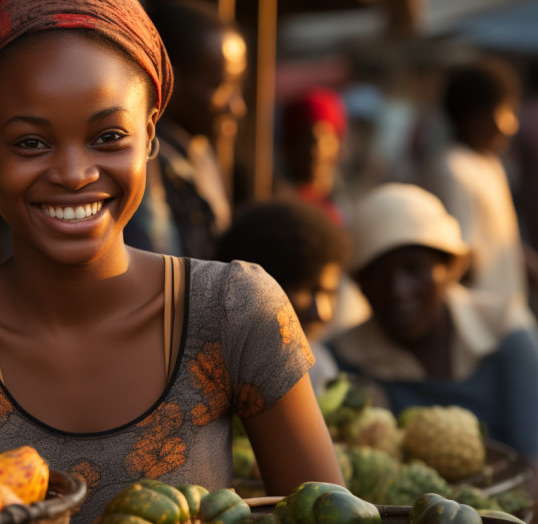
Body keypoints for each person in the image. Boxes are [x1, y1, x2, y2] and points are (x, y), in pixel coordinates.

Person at [0, 0, 342, 521]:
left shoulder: (232, 311)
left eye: (108, 137)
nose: (75, 173)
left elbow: (331, 511)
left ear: (151, 132)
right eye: (30, 142)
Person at [328, 183, 538, 467]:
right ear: (361, 286)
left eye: (413, 268)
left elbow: (532, 459)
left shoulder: (505, 332)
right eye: (378, 275)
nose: (398, 290)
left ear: (449, 269)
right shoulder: (343, 360)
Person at [125, 0, 247, 259]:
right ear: (170, 82)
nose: (236, 106)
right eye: (220, 86)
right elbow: (158, 264)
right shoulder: (143, 158)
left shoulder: (198, 151)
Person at [421, 57, 535, 327]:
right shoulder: (451, 169)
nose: (512, 124)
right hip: (482, 325)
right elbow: (461, 259)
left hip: (508, 316)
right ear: (477, 116)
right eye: (505, 111)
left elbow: (502, 240)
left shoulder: (489, 164)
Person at [215, 200, 351, 392]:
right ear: (257, 287)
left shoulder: (318, 368)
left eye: (329, 293)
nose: (321, 313)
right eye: (305, 290)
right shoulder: (206, 370)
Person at [275, 87, 349, 227]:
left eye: (324, 138)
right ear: (287, 149)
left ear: (338, 145)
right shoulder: (281, 209)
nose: (315, 151)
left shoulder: (342, 206)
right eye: (303, 141)